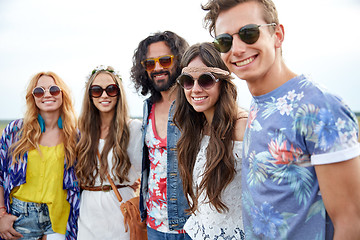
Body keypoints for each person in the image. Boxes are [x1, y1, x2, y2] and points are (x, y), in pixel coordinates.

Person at [202, 0, 360, 239]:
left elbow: (351, 222)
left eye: (249, 33)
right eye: (225, 40)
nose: (237, 49)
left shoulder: (320, 107)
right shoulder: (259, 103)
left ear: (277, 35)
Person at [173, 42, 248, 240]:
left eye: (205, 80)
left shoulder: (244, 128)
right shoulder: (194, 129)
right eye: (188, 81)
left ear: (223, 82)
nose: (195, 89)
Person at [0, 72, 79, 240]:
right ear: (33, 97)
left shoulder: (76, 135)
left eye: (54, 89)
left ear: (62, 94)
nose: (47, 94)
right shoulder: (14, 131)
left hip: (61, 218)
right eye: (39, 91)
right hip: (20, 219)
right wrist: (1, 215)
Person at [130, 31, 191, 239]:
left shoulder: (193, 104)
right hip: (154, 223)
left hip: (190, 224)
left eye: (165, 60)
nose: (157, 68)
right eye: (149, 63)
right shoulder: (148, 107)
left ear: (180, 61)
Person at [75, 65, 142, 240]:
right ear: (90, 96)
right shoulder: (81, 131)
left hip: (120, 209)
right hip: (87, 212)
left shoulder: (132, 129)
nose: (104, 95)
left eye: (111, 89)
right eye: (97, 90)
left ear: (119, 93)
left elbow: (149, 174)